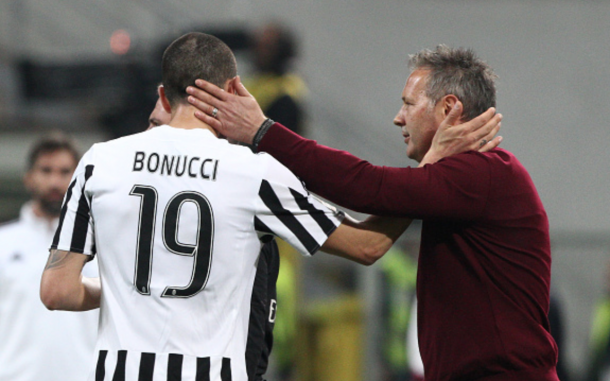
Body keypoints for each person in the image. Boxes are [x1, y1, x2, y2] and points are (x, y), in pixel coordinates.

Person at [39, 32, 417, 381]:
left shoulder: (99, 161)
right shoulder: (255, 173)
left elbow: (58, 291)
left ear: (163, 96)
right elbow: (367, 246)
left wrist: (131, 289)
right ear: (236, 89)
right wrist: (430, 171)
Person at [184, 44, 558, 381]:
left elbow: (368, 187)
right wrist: (429, 165)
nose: (398, 118)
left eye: (408, 104)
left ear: (448, 109)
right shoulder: (465, 179)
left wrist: (262, 131)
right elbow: (373, 236)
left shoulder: (481, 174)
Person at [147, 85, 280, 381]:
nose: (148, 139)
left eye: (157, 126)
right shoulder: (124, 205)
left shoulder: (245, 215)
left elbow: (255, 336)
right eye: (150, 124)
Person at [0, 133, 98, 381]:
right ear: (28, 178)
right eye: (46, 170)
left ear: (79, 179)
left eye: (65, 172)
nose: (55, 181)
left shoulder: (103, 246)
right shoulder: (3, 243)